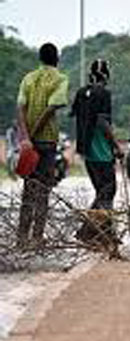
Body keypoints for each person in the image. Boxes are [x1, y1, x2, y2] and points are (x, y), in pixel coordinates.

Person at [16, 43, 69, 245]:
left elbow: (20, 109)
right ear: (57, 58)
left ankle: (21, 237)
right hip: (46, 142)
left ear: (40, 58)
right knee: (44, 191)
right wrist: (34, 134)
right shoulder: (60, 78)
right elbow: (50, 110)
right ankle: (37, 237)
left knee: (28, 188)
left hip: (29, 144)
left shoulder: (28, 78)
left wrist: (25, 137)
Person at [71, 59, 123, 244]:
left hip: (87, 152)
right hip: (102, 152)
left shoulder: (80, 93)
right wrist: (117, 146)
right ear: (106, 75)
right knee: (108, 191)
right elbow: (102, 122)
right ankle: (90, 231)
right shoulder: (104, 94)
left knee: (102, 192)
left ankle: (103, 233)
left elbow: (78, 118)